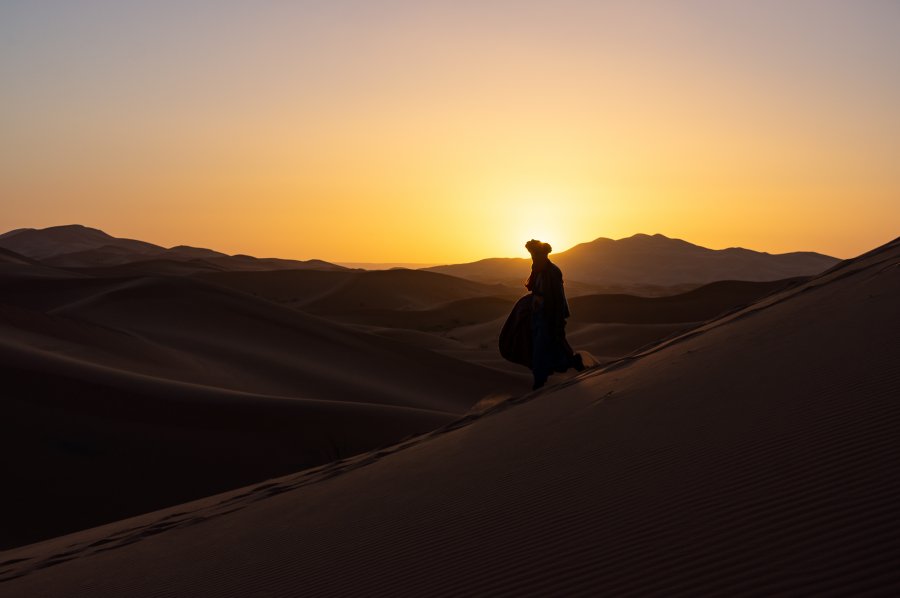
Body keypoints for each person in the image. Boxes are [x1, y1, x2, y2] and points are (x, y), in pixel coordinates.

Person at [499, 239, 584, 389]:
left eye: (535, 256)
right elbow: (534, 290)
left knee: (542, 349)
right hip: (537, 317)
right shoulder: (538, 270)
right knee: (545, 348)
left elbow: (557, 300)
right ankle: (571, 363)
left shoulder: (553, 272)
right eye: (532, 256)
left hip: (548, 317)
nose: (533, 259)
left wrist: (558, 323)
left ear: (543, 255)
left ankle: (540, 382)